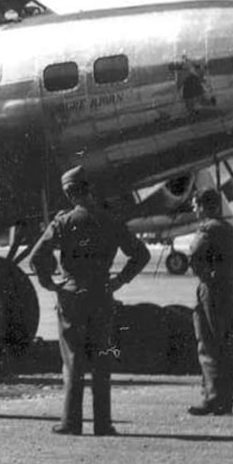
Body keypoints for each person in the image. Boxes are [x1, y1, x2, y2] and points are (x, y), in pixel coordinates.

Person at [27, 166, 149, 436]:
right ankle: (103, 424)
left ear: (70, 193)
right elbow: (141, 255)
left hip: (71, 297)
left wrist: (51, 283)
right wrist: (120, 280)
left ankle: (71, 422)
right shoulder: (111, 220)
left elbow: (36, 258)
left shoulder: (62, 222)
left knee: (73, 360)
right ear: (89, 188)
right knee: (102, 359)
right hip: (102, 294)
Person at [186, 188, 233, 415]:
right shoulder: (230, 230)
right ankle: (226, 399)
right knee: (225, 343)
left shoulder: (207, 230)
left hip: (211, 289)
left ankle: (212, 398)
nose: (195, 209)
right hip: (228, 288)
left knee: (208, 343)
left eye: (197, 205)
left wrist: (207, 273)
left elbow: (194, 256)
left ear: (206, 207)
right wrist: (231, 271)